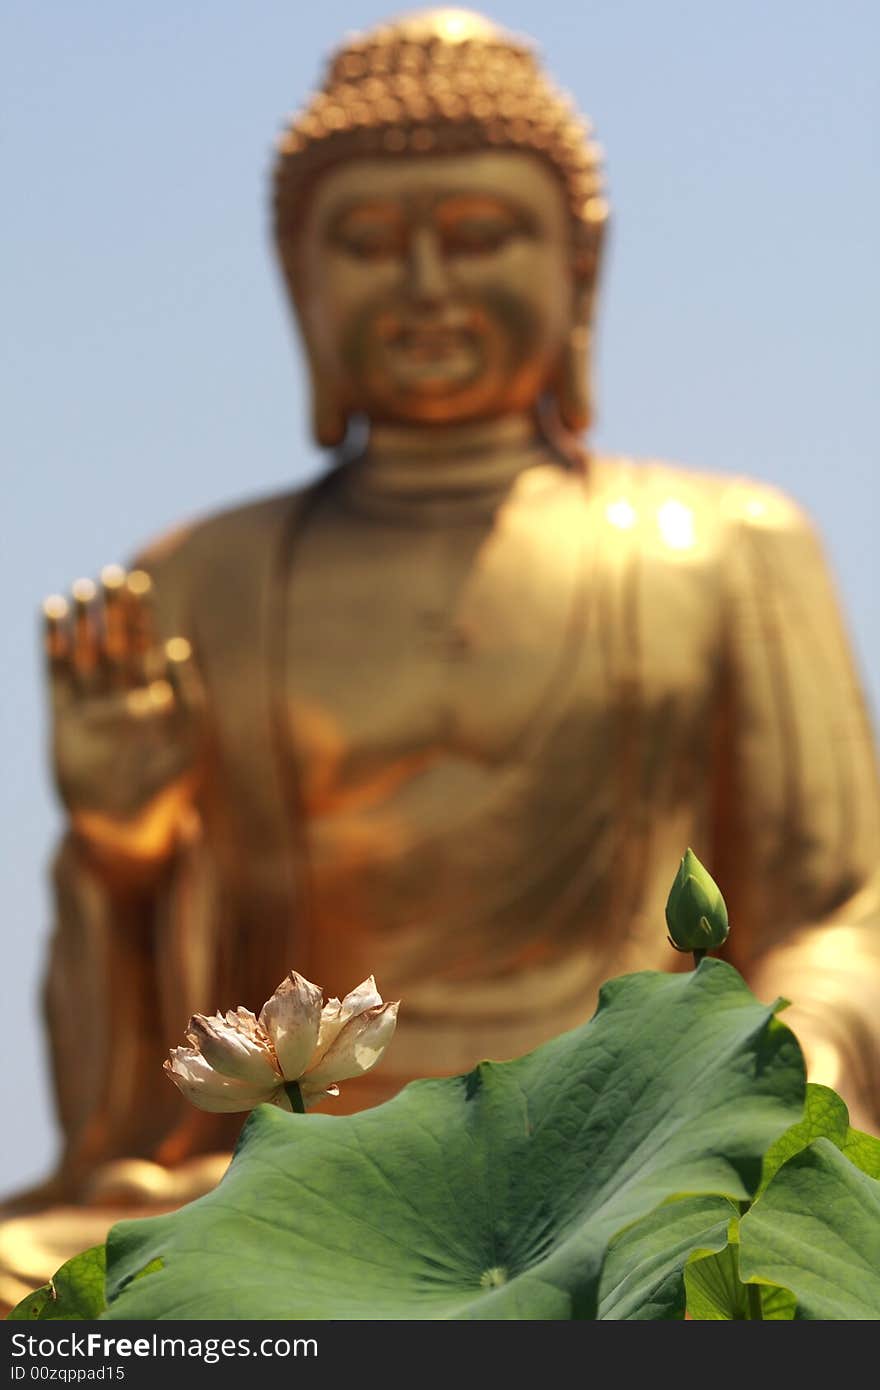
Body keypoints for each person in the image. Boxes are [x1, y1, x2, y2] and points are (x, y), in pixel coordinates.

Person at [3, 6, 878, 1309]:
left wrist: (761, 1074)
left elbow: (841, 913)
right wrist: (127, 848)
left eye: (477, 238)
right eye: (367, 244)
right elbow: (147, 1089)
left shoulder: (729, 546)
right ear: (302, 280)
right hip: (301, 1174)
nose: (422, 286)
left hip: (627, 1140)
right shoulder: (202, 577)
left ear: (580, 271)